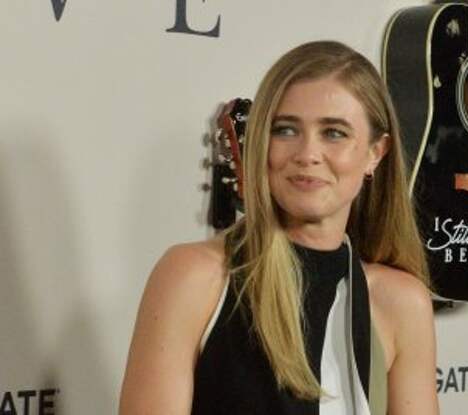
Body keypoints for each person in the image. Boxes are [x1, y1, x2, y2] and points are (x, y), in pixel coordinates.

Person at [119, 40, 438, 415]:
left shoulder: (401, 302)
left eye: (334, 133)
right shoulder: (196, 277)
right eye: (285, 130)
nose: (307, 154)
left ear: (375, 153)